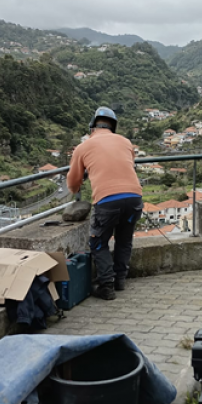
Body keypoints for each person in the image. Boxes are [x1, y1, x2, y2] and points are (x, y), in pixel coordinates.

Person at [67, 107, 143, 300]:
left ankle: (106, 286)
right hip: (134, 197)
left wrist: (83, 179)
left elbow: (73, 184)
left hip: (108, 201)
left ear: (92, 126)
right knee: (124, 240)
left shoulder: (83, 148)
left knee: (98, 242)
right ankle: (120, 280)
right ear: (113, 127)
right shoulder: (126, 142)